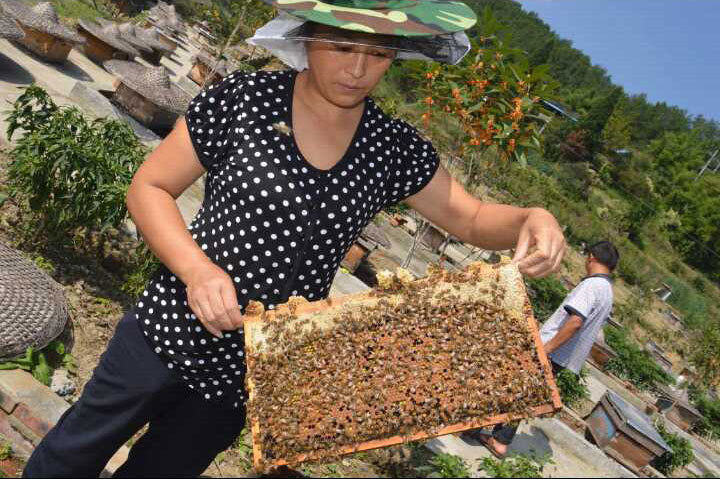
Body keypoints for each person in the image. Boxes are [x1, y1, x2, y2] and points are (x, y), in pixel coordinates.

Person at [23, 2, 568, 477]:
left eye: (378, 55)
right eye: (340, 46)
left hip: (250, 369)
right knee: (70, 457)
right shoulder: (245, 99)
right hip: (164, 333)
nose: (358, 69)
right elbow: (150, 187)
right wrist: (197, 269)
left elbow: (471, 219)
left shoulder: (392, 149)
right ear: (306, 37)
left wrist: (530, 216)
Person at [462, 240, 619, 457]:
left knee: (509, 384)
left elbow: (575, 321)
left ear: (591, 257)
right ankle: (495, 437)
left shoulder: (592, 285)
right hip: (564, 356)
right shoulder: (608, 291)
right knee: (522, 393)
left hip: (553, 350)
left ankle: (487, 433)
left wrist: (546, 348)